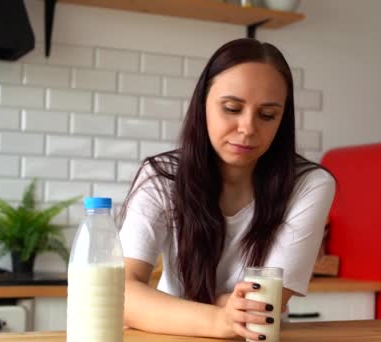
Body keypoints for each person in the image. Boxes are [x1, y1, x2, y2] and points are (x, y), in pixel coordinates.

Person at [119, 38, 335, 341]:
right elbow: (122, 292)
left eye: (267, 115)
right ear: (202, 104)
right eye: (232, 108)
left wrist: (161, 308)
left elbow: (263, 307)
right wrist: (221, 317)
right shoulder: (160, 177)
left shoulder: (309, 185)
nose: (247, 128)